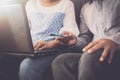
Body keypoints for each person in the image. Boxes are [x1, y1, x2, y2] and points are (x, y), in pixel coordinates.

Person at [52, 0, 120, 80]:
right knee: (60, 61)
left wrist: (113, 40)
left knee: (89, 56)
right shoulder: (85, 9)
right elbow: (86, 37)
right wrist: (75, 41)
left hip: (116, 49)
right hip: (94, 53)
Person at [18, 0, 79, 80]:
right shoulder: (30, 4)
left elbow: (70, 33)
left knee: (27, 66)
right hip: (33, 47)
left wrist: (51, 44)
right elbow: (24, 29)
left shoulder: (66, 4)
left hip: (55, 49)